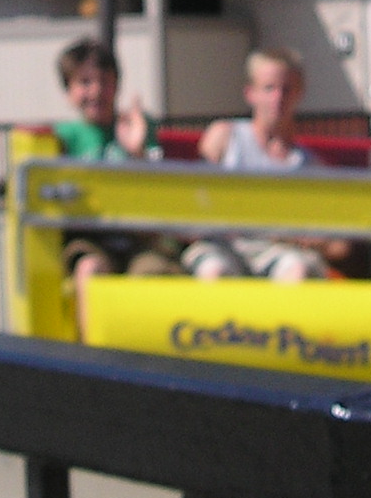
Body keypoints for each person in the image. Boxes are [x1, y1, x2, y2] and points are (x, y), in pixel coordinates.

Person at [183, 46, 346, 282]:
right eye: (269, 88)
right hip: (224, 246)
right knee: (214, 271)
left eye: (286, 89)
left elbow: (340, 245)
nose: (277, 98)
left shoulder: (309, 165)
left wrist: (305, 239)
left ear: (299, 93)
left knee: (297, 271)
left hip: (280, 253)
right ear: (250, 93)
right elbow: (195, 200)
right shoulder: (224, 137)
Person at [50, 40, 175, 310]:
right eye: (85, 82)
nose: (96, 91)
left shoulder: (139, 126)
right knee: (90, 269)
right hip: (92, 238)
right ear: (69, 91)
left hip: (139, 238)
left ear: (116, 85)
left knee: (152, 275)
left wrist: (136, 151)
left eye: (104, 82)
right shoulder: (63, 137)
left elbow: (159, 188)